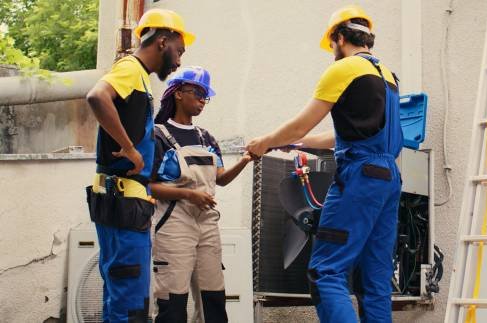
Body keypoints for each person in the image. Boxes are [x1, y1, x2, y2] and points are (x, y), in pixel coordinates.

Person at [246, 5, 402, 323]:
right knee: (374, 282)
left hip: (359, 177)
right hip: (388, 179)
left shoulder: (343, 70)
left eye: (331, 44)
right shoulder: (388, 76)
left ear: (340, 37)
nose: (332, 51)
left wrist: (266, 142)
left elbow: (301, 123)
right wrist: (299, 144)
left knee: (326, 273)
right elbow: (347, 133)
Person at [85, 8, 194, 322]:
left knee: (120, 294)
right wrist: (130, 149)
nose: (179, 61)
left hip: (122, 201)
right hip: (124, 203)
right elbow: (96, 97)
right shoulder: (130, 68)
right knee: (130, 302)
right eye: (179, 50)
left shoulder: (138, 78)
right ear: (162, 41)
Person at [150, 66, 253, 323]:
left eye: (205, 95)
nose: (202, 100)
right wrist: (188, 195)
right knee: (172, 300)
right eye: (197, 93)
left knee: (213, 299)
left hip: (207, 224)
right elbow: (147, 185)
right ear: (177, 93)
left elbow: (221, 179)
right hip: (174, 224)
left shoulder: (205, 137)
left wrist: (246, 160)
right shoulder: (158, 135)